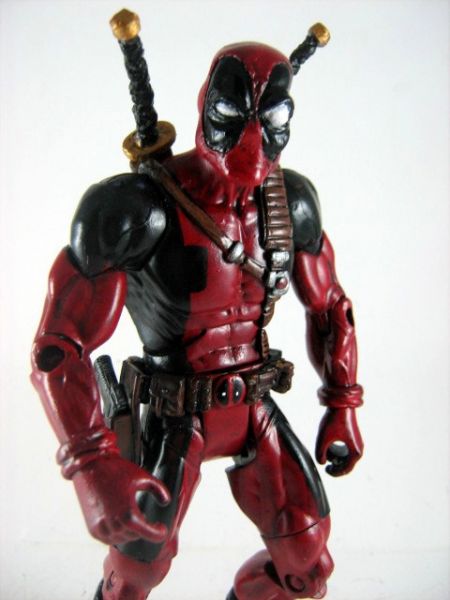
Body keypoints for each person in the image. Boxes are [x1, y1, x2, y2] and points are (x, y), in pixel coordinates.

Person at [31, 35, 363, 600]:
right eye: (232, 114)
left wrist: (342, 403)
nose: (253, 144)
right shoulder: (140, 208)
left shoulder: (289, 204)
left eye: (272, 120)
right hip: (172, 413)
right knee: (135, 571)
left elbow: (332, 308)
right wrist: (92, 463)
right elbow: (59, 345)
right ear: (205, 105)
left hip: (253, 407)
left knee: (306, 565)